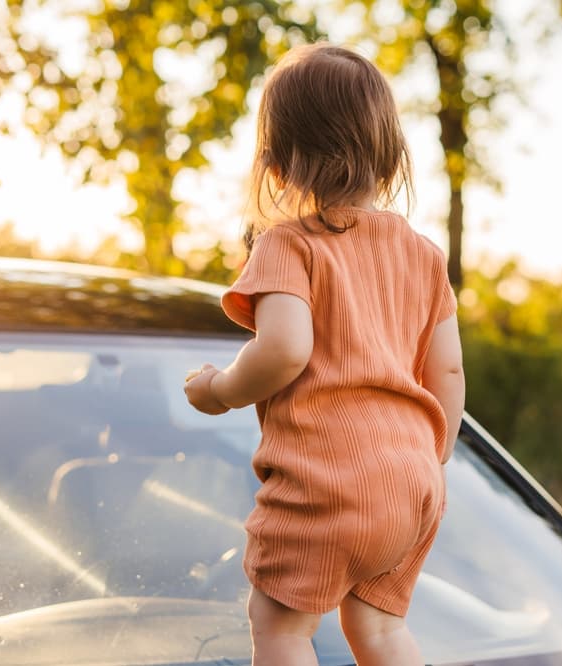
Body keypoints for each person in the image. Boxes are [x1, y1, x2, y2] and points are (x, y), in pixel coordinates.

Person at [184, 42, 464, 666]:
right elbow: (446, 371)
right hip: (414, 485)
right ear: (390, 154)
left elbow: (283, 349)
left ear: (277, 163)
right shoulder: (423, 255)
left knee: (282, 628)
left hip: (330, 482)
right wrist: (427, 456)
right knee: (382, 631)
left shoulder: (290, 246)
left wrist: (219, 390)